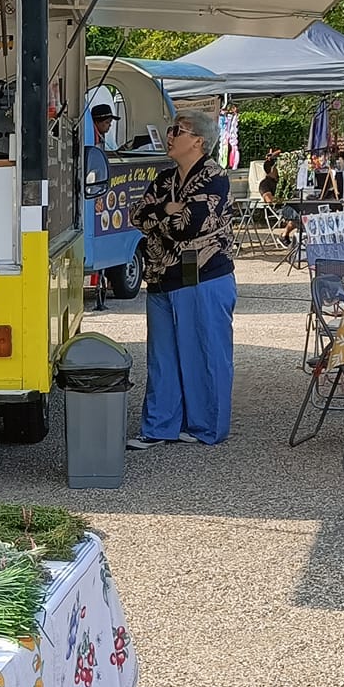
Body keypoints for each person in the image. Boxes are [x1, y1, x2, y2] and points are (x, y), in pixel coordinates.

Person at [127, 116, 237, 449]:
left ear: (199, 141)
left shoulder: (215, 178)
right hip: (161, 277)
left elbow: (188, 226)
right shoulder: (164, 179)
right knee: (162, 357)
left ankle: (206, 427)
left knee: (205, 352)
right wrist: (168, 208)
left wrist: (161, 215)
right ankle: (159, 426)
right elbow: (137, 216)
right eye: (171, 129)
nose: (169, 135)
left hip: (203, 276)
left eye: (178, 131)